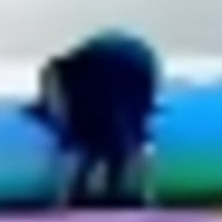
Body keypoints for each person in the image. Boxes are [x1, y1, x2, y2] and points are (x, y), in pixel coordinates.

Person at [36, 30, 161, 210]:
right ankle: (120, 191)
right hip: (134, 64)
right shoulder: (82, 83)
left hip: (120, 65)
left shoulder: (79, 81)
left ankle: (94, 191)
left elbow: (53, 76)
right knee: (118, 137)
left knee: (99, 139)